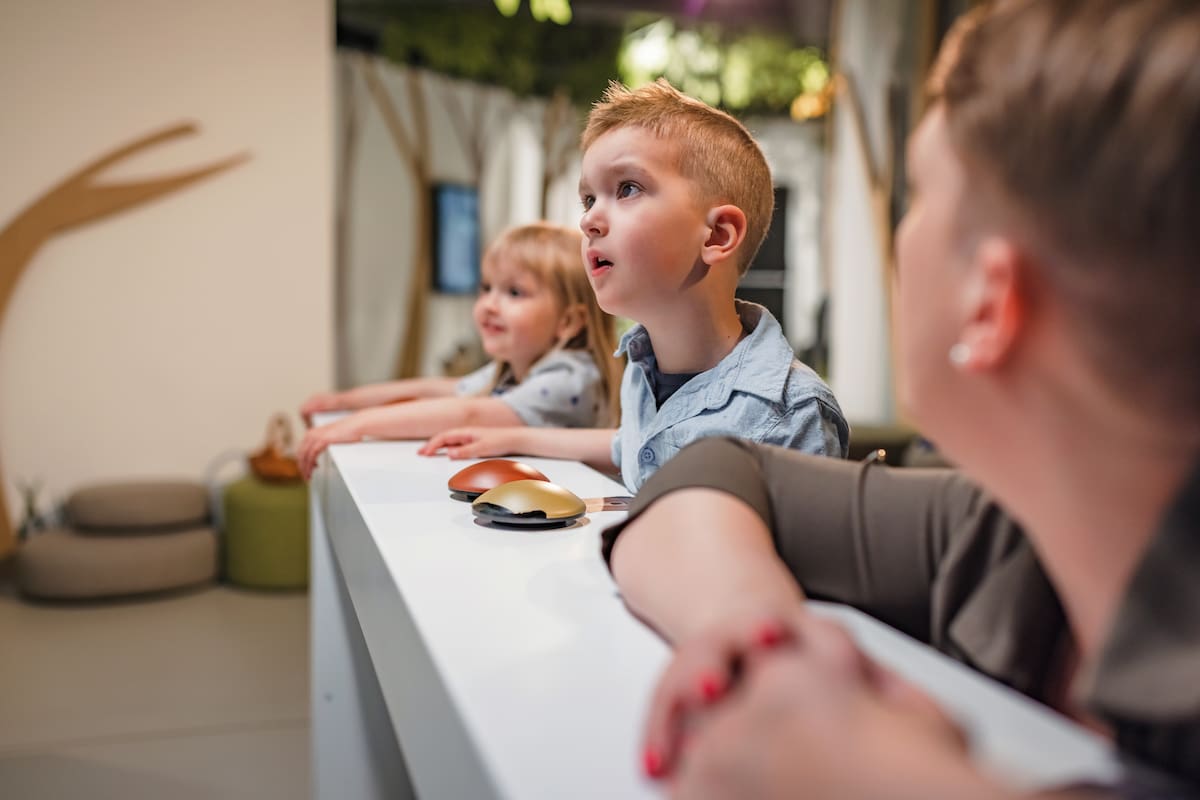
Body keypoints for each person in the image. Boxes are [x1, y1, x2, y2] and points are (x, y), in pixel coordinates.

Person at [601, 0, 1200, 795]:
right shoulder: (1012, 534)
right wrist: (761, 640)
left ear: (990, 304)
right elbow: (714, 471)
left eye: (917, 196)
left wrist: (875, 769)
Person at [420, 80, 848, 491]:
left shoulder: (793, 414)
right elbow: (629, 445)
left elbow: (812, 560)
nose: (588, 220)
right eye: (589, 199)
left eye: (627, 188)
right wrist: (513, 440)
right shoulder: (642, 374)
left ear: (717, 236)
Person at [297, 222, 621, 480]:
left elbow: (469, 413)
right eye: (486, 287)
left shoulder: (571, 376)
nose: (489, 305)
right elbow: (436, 388)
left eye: (514, 292)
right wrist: (344, 402)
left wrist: (356, 425)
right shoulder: (516, 367)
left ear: (567, 321)